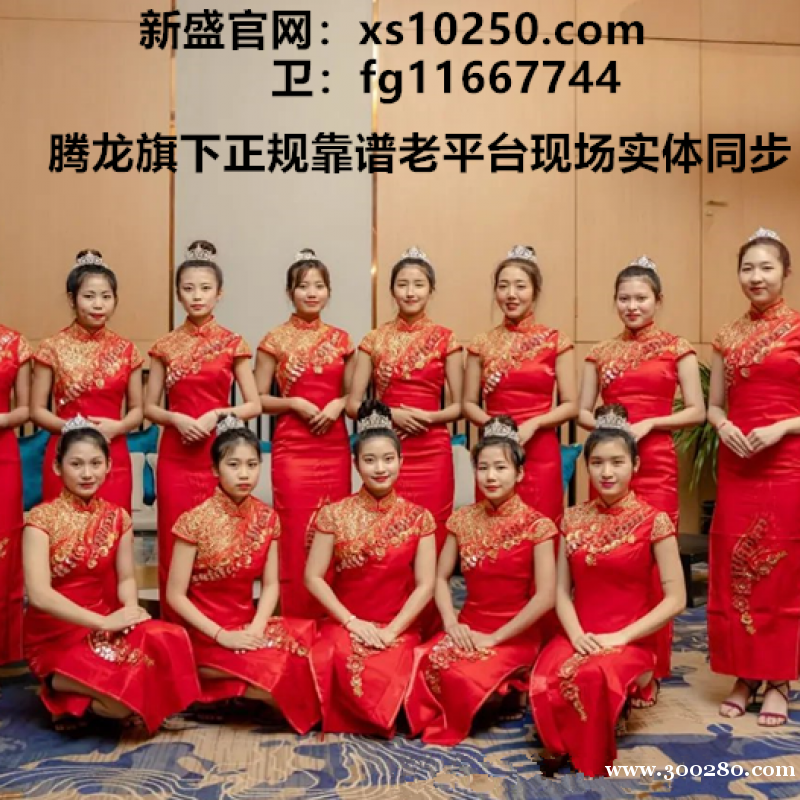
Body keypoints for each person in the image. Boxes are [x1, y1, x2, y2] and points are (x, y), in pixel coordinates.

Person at [529, 404, 685, 778]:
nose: (607, 472)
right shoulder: (572, 518)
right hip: (580, 632)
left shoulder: (654, 521)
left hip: (629, 637)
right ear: (587, 466)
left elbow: (676, 598)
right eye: (597, 462)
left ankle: (627, 692)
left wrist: (621, 637)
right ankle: (577, 731)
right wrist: (576, 634)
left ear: (636, 465)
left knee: (590, 677)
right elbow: (561, 591)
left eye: (617, 462)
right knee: (544, 680)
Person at [22, 418, 200, 733]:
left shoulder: (118, 518)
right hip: (54, 635)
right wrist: (103, 623)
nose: (87, 473)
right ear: (57, 468)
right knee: (121, 704)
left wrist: (130, 612)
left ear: (108, 467)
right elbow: (39, 595)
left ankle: (79, 694)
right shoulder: (40, 520)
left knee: (169, 637)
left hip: (104, 622)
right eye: (76, 464)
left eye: (95, 463)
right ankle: (54, 681)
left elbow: (127, 579)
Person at [578, 255, 704, 686]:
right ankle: (606, 645)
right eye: (624, 298)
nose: (632, 306)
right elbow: (581, 410)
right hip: (610, 464)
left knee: (653, 563)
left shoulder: (677, 347)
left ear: (658, 300)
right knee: (609, 558)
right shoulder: (599, 352)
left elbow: (696, 410)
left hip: (655, 463)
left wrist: (650, 423)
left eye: (641, 298)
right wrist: (607, 427)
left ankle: (651, 664)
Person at [406, 416, 557, 745]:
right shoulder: (462, 520)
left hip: (514, 631)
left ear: (519, 473)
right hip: (469, 624)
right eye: (483, 468)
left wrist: (496, 638)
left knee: (462, 676)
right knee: (422, 661)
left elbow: (546, 596)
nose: (490, 476)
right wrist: (451, 622)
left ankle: (511, 682)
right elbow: (440, 577)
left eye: (501, 468)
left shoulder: (538, 526)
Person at [167, 417, 320, 733]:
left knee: (309, 650)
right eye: (233, 465)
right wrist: (222, 636)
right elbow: (175, 596)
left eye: (252, 465)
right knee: (278, 677)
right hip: (206, 634)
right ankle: (209, 688)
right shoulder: (193, 521)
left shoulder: (267, 518)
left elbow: (271, 585)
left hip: (248, 626)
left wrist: (257, 627)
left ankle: (229, 692)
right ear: (215, 469)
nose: (244, 474)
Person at [708, 228, 800, 726]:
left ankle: (779, 679)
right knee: (735, 566)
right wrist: (723, 427)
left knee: (780, 571)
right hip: (738, 462)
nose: (756, 277)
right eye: (748, 268)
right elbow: (715, 405)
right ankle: (744, 674)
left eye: (766, 267)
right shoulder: (726, 335)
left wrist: (782, 427)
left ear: (785, 272)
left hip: (786, 463)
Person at [304, 400, 436, 737]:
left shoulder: (419, 518)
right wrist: (351, 622)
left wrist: (392, 631)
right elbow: (313, 577)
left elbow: (426, 584)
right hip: (345, 623)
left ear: (401, 461)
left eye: (388, 459)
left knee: (392, 669)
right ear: (355, 463)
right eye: (370, 460)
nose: (380, 468)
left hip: (397, 624)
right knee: (335, 659)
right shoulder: (334, 514)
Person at [145, 241, 260, 619]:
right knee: (175, 538)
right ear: (178, 293)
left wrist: (217, 415)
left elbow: (254, 405)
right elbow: (149, 407)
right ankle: (176, 627)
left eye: (205, 288)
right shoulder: (164, 346)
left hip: (218, 454)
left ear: (219, 293)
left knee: (219, 539)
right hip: (176, 455)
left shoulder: (232, 343)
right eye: (188, 288)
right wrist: (175, 418)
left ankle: (219, 620)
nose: (197, 296)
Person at [256, 250, 354, 617]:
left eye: (319, 286)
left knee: (335, 530)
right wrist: (293, 402)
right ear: (290, 292)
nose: (311, 293)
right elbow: (257, 399)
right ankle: (296, 617)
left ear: (329, 291)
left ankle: (332, 618)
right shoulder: (274, 340)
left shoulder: (343, 341)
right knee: (296, 532)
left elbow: (354, 396)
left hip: (333, 446)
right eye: (303, 286)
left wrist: (338, 404)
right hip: (293, 448)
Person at [347, 247, 462, 552]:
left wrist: (429, 417)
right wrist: (390, 415)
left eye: (419, 284)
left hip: (432, 448)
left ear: (430, 290)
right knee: (388, 536)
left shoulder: (446, 338)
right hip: (386, 448)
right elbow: (352, 405)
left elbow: (460, 406)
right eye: (403, 284)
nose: (410, 292)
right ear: (392, 290)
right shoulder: (374, 339)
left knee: (433, 529)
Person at [464, 245, 577, 521]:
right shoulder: (482, 343)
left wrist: (534, 424)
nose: (511, 294)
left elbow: (571, 405)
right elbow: (467, 403)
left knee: (541, 525)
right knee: (493, 527)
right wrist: (494, 426)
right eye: (503, 286)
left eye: (520, 286)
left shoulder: (555, 341)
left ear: (535, 291)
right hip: (494, 450)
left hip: (540, 450)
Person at [31, 251, 143, 511]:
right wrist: (72, 427)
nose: (98, 304)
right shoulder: (51, 347)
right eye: (89, 296)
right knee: (63, 528)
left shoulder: (127, 350)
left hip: (111, 452)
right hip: (66, 453)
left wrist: (119, 426)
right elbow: (36, 411)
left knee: (111, 527)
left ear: (115, 300)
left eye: (106, 297)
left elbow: (138, 410)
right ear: (72, 299)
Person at [0, 323, 31, 666]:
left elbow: (25, 410)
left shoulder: (14, 343)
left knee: (5, 544)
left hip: (3, 450)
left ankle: (6, 648)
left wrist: (3, 418)